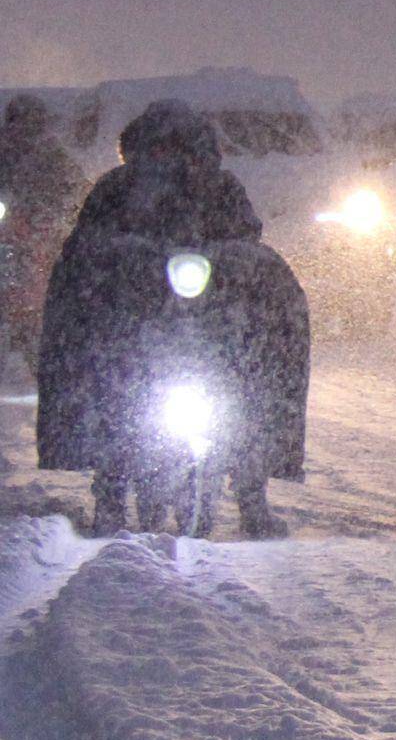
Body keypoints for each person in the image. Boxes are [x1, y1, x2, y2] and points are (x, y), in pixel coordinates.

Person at [36, 100, 306, 537]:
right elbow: (85, 248)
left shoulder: (220, 189)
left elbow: (248, 238)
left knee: (253, 383)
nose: (172, 156)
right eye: (161, 147)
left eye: (181, 147)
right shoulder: (117, 190)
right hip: (135, 325)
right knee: (108, 389)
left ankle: (251, 493)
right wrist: (120, 266)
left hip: (211, 325)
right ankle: (110, 492)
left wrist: (243, 269)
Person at [0, 93, 86, 376]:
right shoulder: (4, 155)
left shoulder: (55, 158)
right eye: (19, 122)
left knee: (41, 292)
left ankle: (41, 358)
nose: (24, 129)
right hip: (7, 237)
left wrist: (56, 216)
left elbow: (75, 190)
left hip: (40, 239)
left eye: (31, 123)